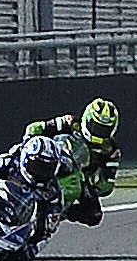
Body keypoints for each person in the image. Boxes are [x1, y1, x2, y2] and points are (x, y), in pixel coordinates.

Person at [21, 96, 121, 224]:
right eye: (95, 127)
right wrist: (27, 146)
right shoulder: (69, 122)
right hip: (53, 158)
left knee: (94, 216)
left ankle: (61, 211)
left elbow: (107, 185)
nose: (98, 133)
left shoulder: (111, 150)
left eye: (103, 130)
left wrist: (90, 187)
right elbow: (34, 128)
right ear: (86, 120)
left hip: (80, 178)